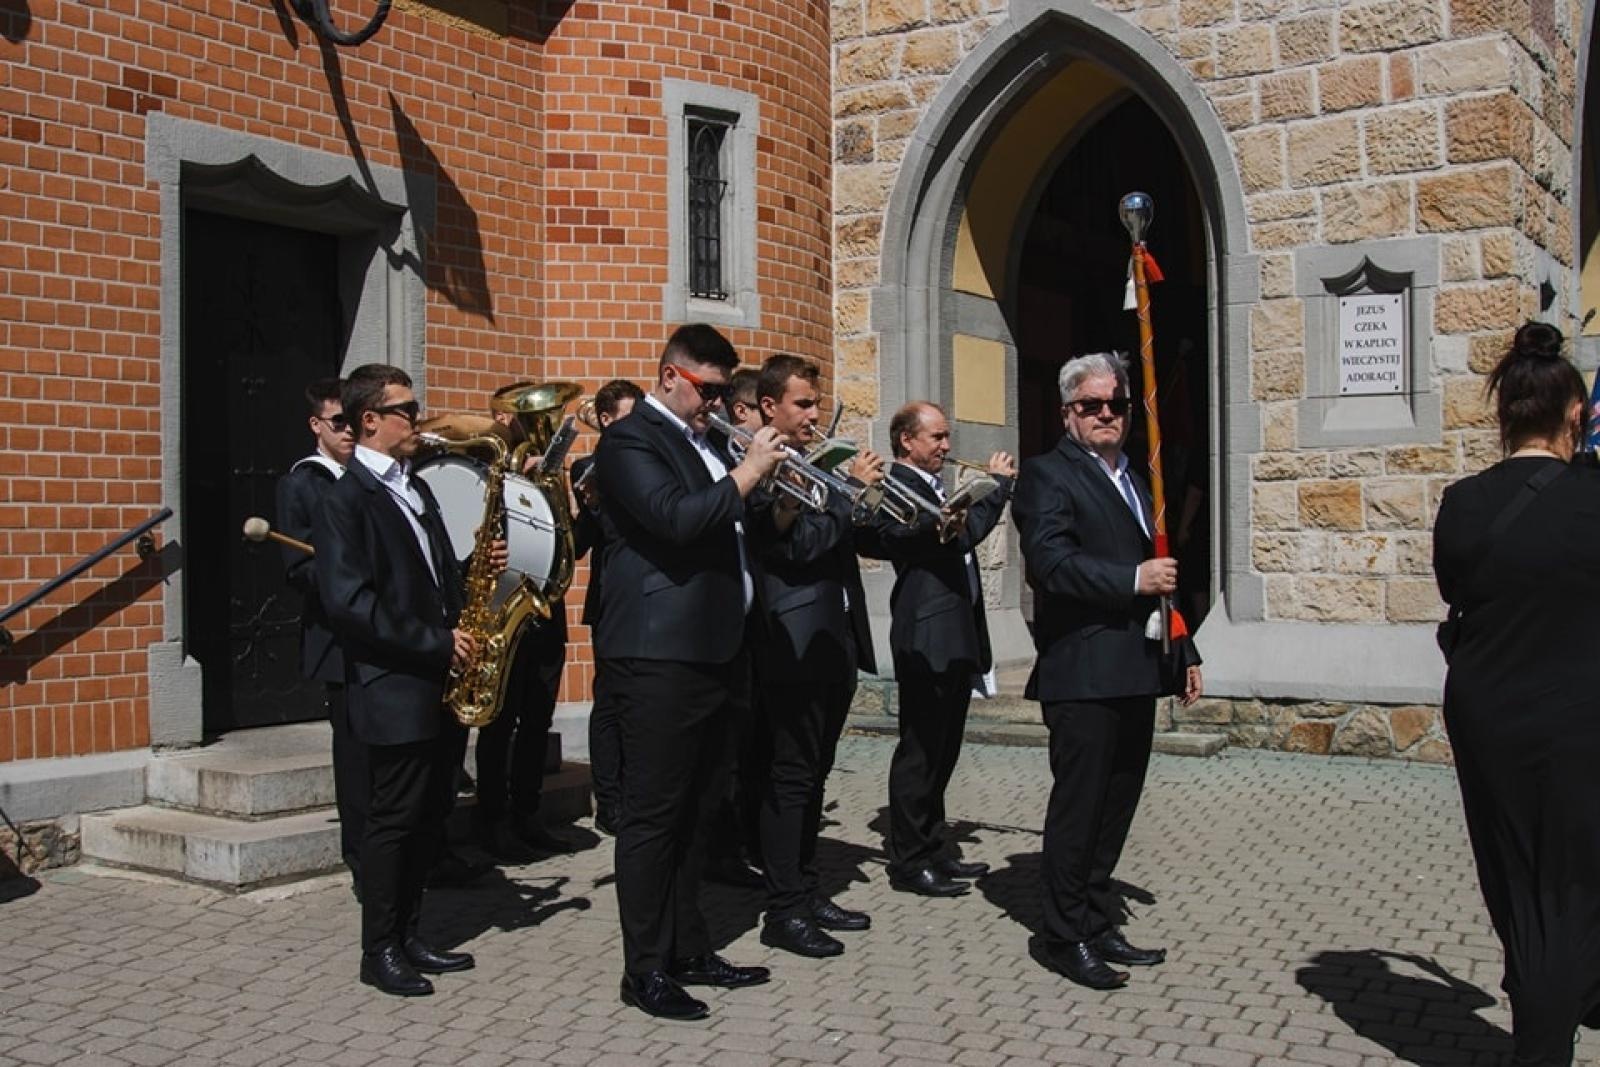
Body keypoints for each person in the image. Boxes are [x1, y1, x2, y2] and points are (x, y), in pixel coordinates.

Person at [594, 324, 786, 1021]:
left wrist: (773, 495)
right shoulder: (629, 442)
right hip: (659, 655)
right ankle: (643, 967)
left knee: (702, 807)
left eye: (721, 391)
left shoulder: (702, 441)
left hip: (716, 651)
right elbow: (676, 521)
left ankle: (688, 945)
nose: (716, 403)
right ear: (670, 374)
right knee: (653, 816)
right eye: (708, 389)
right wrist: (752, 472)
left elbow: (729, 524)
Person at [1433, 322, 1600, 1065]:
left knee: (1521, 883)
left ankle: (1550, 991)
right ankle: (1548, 1025)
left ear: (1503, 420)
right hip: (1578, 719)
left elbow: (1455, 589)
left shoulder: (1463, 503)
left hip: (1489, 719)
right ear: (1574, 417)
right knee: (1569, 893)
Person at [1011, 351, 1203, 992]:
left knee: (1117, 807)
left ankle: (1095, 918)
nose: (1104, 415)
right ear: (1067, 412)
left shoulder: (1137, 477)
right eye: (1090, 405)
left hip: (1138, 667)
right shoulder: (1046, 476)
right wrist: (1131, 579)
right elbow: (1051, 565)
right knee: (1080, 807)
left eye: (1114, 404)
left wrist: (1186, 650)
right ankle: (1063, 934)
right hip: (1084, 670)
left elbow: (1164, 571)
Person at [314, 363, 479, 998]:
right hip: (392, 684)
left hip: (436, 680)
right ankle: (378, 948)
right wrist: (436, 643)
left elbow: (432, 581)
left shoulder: (416, 489)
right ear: (369, 422)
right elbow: (352, 604)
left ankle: (410, 933)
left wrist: (471, 572)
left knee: (427, 819)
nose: (419, 418)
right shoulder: (343, 499)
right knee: (391, 822)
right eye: (406, 410)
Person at [747, 355, 885, 959]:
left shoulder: (812, 466)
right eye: (802, 403)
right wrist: (849, 493)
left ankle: (806, 890)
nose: (813, 413)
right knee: (792, 779)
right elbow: (799, 548)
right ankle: (783, 910)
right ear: (769, 407)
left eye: (815, 402)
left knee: (815, 776)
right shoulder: (760, 471)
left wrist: (856, 497)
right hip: (790, 644)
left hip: (834, 640)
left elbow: (846, 540)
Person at [863, 402, 1014, 898]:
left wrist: (991, 493)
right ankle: (909, 861)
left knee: (944, 749)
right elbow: (938, 539)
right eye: (937, 438)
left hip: (952, 632)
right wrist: (995, 495)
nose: (946, 447)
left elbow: (961, 535)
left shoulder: (934, 486)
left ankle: (933, 846)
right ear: (907, 440)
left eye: (946, 437)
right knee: (921, 752)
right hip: (925, 634)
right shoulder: (898, 486)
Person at [470, 381, 584, 861]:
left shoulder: (547, 474)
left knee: (538, 719)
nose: (538, 428)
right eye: (526, 418)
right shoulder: (487, 467)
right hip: (505, 606)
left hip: (544, 607)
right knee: (501, 724)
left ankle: (527, 815)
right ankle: (492, 821)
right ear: (503, 420)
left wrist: (560, 493)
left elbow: (569, 538)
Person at [275, 378, 359, 893]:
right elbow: (297, 568)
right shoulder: (303, 484)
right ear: (316, 426)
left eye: (355, 420)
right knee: (353, 758)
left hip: (380, 637)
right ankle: (361, 861)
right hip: (337, 637)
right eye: (339, 423)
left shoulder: (365, 478)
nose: (349, 431)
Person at [571, 378, 643, 836]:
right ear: (605, 419)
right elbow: (585, 540)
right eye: (629, 419)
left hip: (648, 599)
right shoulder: (587, 467)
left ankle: (637, 795)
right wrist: (591, 504)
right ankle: (610, 801)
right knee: (611, 703)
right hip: (613, 600)